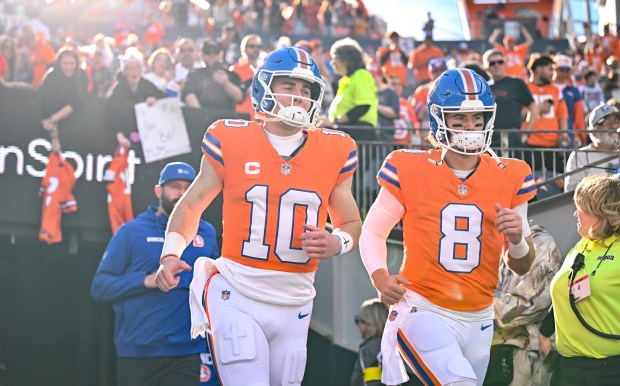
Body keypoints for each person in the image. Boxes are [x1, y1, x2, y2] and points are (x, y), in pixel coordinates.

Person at [154, 47, 362, 385]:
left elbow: (351, 223)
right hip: (238, 291)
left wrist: (337, 241)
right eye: (289, 86)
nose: (298, 97)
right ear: (265, 87)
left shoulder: (335, 149)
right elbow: (192, 204)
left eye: (306, 90)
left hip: (297, 298)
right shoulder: (231, 137)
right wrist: (170, 253)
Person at [359, 68, 538, 386]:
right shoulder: (409, 167)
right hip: (423, 309)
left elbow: (522, 265)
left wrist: (516, 240)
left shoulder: (511, 174)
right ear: (439, 119)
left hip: (481, 318)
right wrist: (379, 276)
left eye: (477, 119)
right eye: (459, 119)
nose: (470, 127)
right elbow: (373, 230)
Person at [91, 162, 220, 386]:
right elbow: (100, 287)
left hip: (187, 352)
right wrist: (145, 280)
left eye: (188, 187)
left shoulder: (207, 232)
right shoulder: (131, 231)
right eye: (175, 186)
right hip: (139, 352)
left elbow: (216, 285)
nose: (181, 193)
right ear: (158, 191)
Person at [548, 175, 620, 386]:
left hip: (608, 373)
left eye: (582, 208)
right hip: (566, 370)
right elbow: (566, 292)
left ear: (603, 213)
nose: (575, 214)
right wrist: (544, 334)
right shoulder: (581, 246)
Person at [486, 225, 563, 386]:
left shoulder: (540, 243)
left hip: (518, 357)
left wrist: (467, 304)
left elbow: (520, 308)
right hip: (487, 351)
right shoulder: (488, 243)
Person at [483, 48, 539, 149]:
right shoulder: (483, 88)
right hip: (490, 141)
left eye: (500, 62)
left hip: (513, 140)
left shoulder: (517, 83)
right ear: (486, 67)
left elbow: (534, 109)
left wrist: (526, 133)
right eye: (492, 63)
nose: (497, 65)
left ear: (505, 64)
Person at [564, 103, 620, 192]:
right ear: (593, 132)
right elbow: (571, 195)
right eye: (607, 123)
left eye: (617, 122)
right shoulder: (580, 156)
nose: (613, 127)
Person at [182, 39, 243, 112]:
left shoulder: (231, 74)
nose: (212, 55)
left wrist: (226, 84)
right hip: (202, 118)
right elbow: (188, 95)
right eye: (208, 52)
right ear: (201, 54)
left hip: (226, 119)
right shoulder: (194, 74)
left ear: (221, 54)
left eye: (215, 52)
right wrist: (200, 115)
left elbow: (240, 98)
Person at [38, 47, 89, 133]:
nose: (69, 67)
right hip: (50, 119)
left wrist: (53, 118)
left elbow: (77, 101)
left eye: (72, 63)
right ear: (59, 64)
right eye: (65, 64)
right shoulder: (51, 77)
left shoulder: (82, 75)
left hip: (74, 120)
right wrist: (53, 126)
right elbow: (46, 103)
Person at [351, 298, 389, 386]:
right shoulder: (390, 344)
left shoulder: (369, 350)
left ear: (366, 323)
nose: (358, 326)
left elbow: (372, 383)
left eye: (358, 320)